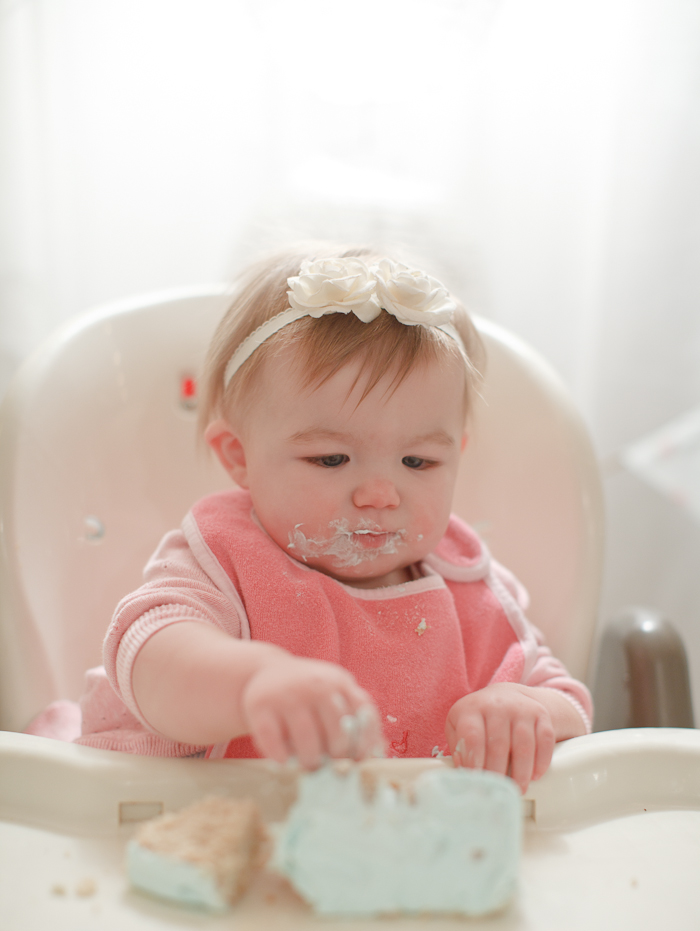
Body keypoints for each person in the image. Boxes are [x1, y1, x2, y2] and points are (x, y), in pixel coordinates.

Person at [73, 247, 592, 793]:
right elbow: (152, 657)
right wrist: (252, 684)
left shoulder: (470, 589)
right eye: (331, 459)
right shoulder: (223, 562)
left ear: (458, 454)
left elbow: (569, 702)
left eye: (418, 462)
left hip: (406, 852)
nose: (379, 493)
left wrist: (525, 707)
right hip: (197, 825)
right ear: (239, 456)